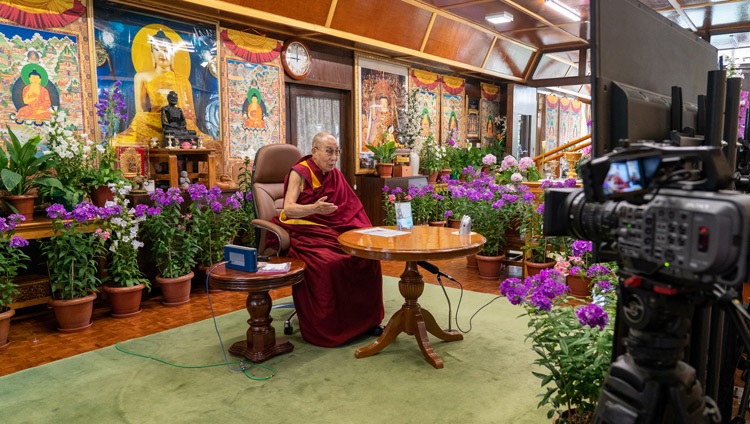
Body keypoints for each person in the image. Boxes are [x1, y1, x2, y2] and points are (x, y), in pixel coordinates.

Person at [273, 132, 384, 347]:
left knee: (365, 257)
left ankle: (366, 322)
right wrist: (314, 208)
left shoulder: (335, 175)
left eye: (337, 152)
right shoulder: (300, 172)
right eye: (329, 152)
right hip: (306, 231)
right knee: (328, 264)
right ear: (314, 151)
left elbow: (349, 209)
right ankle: (329, 330)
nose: (334, 157)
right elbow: (289, 209)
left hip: (333, 231)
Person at [115, 28, 208, 145]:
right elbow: (140, 112)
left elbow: (190, 116)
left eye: (166, 50)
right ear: (152, 53)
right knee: (118, 142)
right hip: (150, 124)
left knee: (208, 142)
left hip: (180, 129)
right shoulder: (142, 77)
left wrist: (182, 125)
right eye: (157, 50)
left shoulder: (183, 81)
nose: (162, 54)